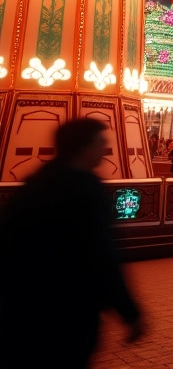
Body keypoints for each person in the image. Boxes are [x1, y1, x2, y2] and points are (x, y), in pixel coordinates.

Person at [0, 119, 144, 368]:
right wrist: (129, 313)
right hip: (69, 310)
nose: (105, 149)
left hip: (21, 307)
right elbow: (103, 255)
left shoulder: (35, 182)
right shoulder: (86, 190)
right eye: (101, 143)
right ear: (85, 146)